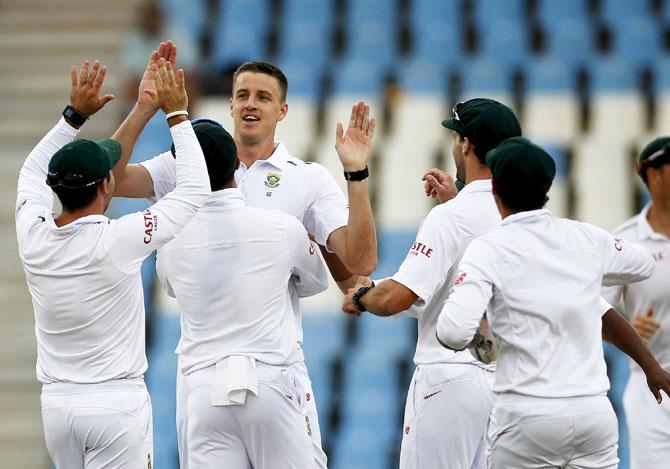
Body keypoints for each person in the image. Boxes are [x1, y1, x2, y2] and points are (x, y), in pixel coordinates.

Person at [113, 59, 378, 468]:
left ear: (283, 110)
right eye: (242, 95)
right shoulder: (191, 163)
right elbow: (111, 180)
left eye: (263, 97)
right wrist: (145, 107)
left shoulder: (307, 179)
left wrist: (356, 173)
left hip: (265, 362)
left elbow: (360, 260)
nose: (250, 104)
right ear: (231, 107)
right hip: (211, 369)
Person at [15, 55, 210, 468]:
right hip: (114, 404)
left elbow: (31, 171)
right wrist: (176, 113)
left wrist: (74, 117)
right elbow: (194, 192)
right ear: (107, 186)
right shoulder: (117, 239)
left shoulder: (33, 234)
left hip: (58, 407)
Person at [436, 137, 670, 469]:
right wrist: (578, 278)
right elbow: (643, 264)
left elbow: (453, 332)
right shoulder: (586, 238)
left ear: (495, 190)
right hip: (592, 416)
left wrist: (481, 335)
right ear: (547, 189)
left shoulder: (488, 249)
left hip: (526, 418)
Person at [342, 98, 522, 469]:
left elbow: (397, 299)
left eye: (456, 137)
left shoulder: (450, 217)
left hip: (450, 377)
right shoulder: (520, 216)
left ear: (467, 145)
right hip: (507, 385)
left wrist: (361, 296)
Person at [155, 119, 328, 467]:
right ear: (236, 163)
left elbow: (172, 289)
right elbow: (317, 282)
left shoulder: (169, 242)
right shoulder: (281, 228)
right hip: (267, 378)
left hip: (202, 389)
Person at [602, 137, 670, 469]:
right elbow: (592, 313)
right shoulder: (625, 241)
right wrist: (627, 329)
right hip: (654, 391)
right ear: (654, 176)